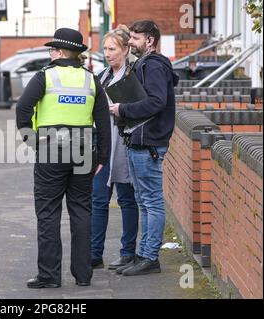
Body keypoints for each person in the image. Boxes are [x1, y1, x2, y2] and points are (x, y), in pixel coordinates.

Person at [16, 28, 111, 288]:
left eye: (51, 50)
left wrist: (32, 141)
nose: (49, 54)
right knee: (81, 210)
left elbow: (23, 108)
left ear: (58, 52)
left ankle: (49, 276)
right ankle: (83, 275)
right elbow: (103, 120)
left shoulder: (45, 76)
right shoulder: (91, 79)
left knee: (48, 212)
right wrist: (103, 155)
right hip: (84, 150)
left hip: (51, 149)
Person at [111, 20, 179, 276]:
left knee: (151, 201)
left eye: (135, 38)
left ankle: (150, 257)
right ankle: (143, 254)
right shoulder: (145, 64)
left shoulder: (153, 66)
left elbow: (156, 101)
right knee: (143, 201)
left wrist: (123, 109)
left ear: (149, 40)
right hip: (139, 141)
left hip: (148, 143)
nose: (130, 42)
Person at [90, 25, 139, 271]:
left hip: (125, 145)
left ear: (125, 50)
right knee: (98, 199)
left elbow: (141, 109)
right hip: (103, 145)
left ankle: (128, 252)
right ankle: (94, 253)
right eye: (105, 49)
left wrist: (118, 108)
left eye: (112, 49)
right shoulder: (102, 76)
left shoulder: (132, 76)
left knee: (127, 200)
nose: (107, 54)